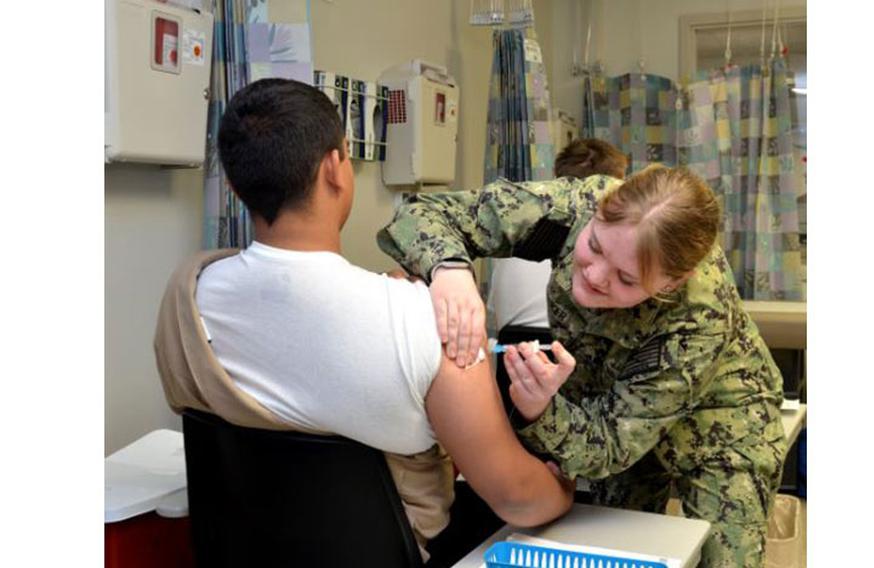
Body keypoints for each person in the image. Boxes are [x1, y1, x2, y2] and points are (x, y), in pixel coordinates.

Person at [153, 78, 573, 565]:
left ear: (233, 183)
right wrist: (564, 486)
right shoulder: (425, 321)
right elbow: (518, 498)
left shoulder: (190, 295)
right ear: (335, 167)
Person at [377, 165, 787, 567]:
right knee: (611, 550)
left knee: (724, 560)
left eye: (626, 278)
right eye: (594, 246)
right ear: (598, 211)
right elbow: (422, 213)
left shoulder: (698, 316)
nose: (594, 275)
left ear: (671, 284)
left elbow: (610, 444)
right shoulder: (570, 208)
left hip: (723, 428)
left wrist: (543, 410)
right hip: (610, 403)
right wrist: (450, 270)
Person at [488, 137, 628, 332]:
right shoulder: (620, 253)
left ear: (556, 179)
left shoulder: (517, 236)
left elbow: (497, 320)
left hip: (514, 355)